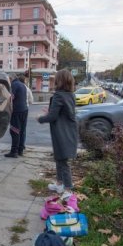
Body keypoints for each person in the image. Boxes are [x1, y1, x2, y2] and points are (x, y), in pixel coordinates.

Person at [37, 69, 79, 201]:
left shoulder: (59, 95)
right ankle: (59, 184)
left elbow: (53, 116)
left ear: (59, 80)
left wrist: (40, 118)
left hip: (62, 132)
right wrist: (50, 111)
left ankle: (68, 190)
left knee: (63, 161)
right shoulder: (70, 94)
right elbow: (63, 112)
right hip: (68, 131)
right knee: (59, 158)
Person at [5, 73, 28, 158]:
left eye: (8, 80)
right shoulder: (22, 85)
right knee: (21, 131)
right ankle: (20, 150)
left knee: (14, 131)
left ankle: (14, 152)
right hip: (24, 110)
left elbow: (11, 98)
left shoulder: (14, 85)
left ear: (11, 79)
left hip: (17, 111)